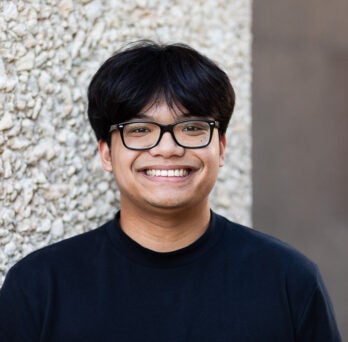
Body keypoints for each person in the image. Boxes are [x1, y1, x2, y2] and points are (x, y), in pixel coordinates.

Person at [0, 41, 341, 341]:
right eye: (140, 129)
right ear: (106, 152)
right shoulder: (39, 287)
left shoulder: (288, 280)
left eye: (192, 127)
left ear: (221, 148)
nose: (167, 148)